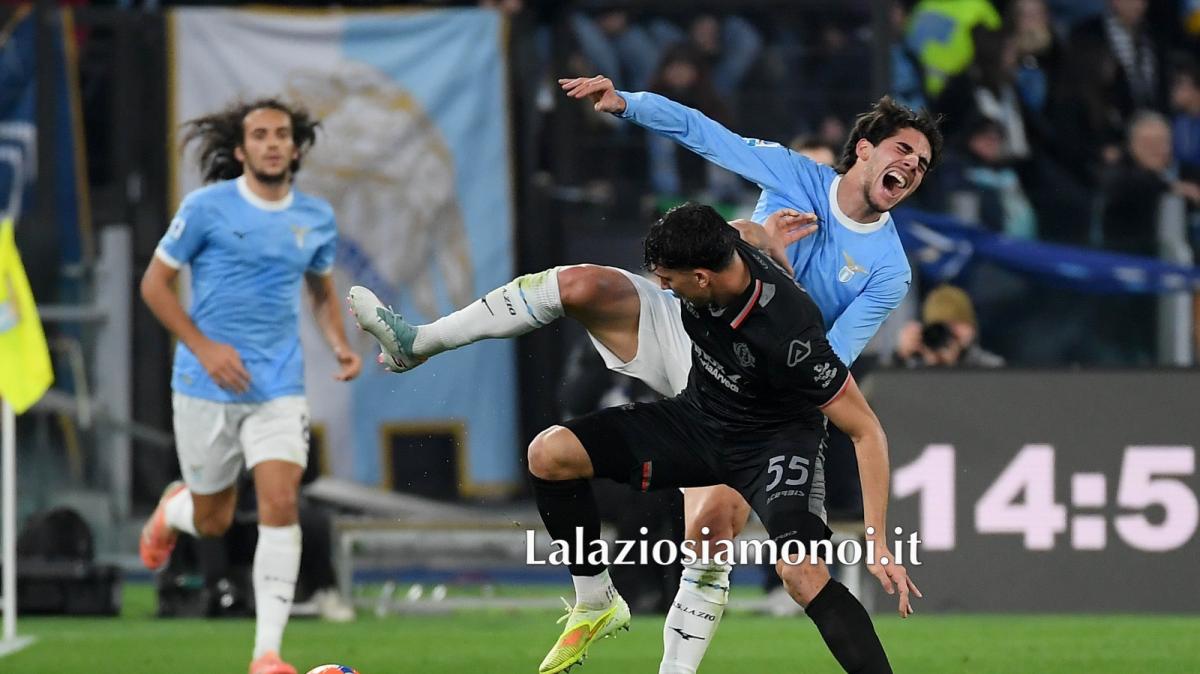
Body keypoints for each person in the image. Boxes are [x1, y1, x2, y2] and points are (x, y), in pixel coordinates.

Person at [349, 82, 940, 674]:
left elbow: (825, 356)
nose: (912, 164)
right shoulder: (793, 173)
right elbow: (704, 134)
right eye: (903, 148)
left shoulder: (889, 269)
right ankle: (418, 343)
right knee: (581, 285)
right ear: (864, 148)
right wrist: (628, 103)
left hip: (763, 388)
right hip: (693, 325)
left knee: (714, 535)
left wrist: (766, 255)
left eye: (923, 162)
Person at [527, 203, 917, 674]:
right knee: (549, 454)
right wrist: (771, 236)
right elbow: (748, 230)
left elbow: (866, 430)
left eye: (669, 280)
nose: (663, 291)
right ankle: (595, 599)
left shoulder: (793, 339)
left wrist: (876, 538)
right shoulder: (728, 242)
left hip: (776, 441)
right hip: (702, 418)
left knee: (800, 573)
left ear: (703, 277)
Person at [138, 98, 361, 674]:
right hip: (203, 386)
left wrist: (338, 342)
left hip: (278, 386)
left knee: (280, 502)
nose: (270, 143)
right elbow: (155, 286)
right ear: (240, 149)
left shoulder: (314, 217)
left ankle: (267, 654)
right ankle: (172, 511)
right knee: (213, 519)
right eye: (259, 135)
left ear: (295, 147)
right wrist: (205, 348)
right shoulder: (206, 208)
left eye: (281, 134)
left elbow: (319, 289)